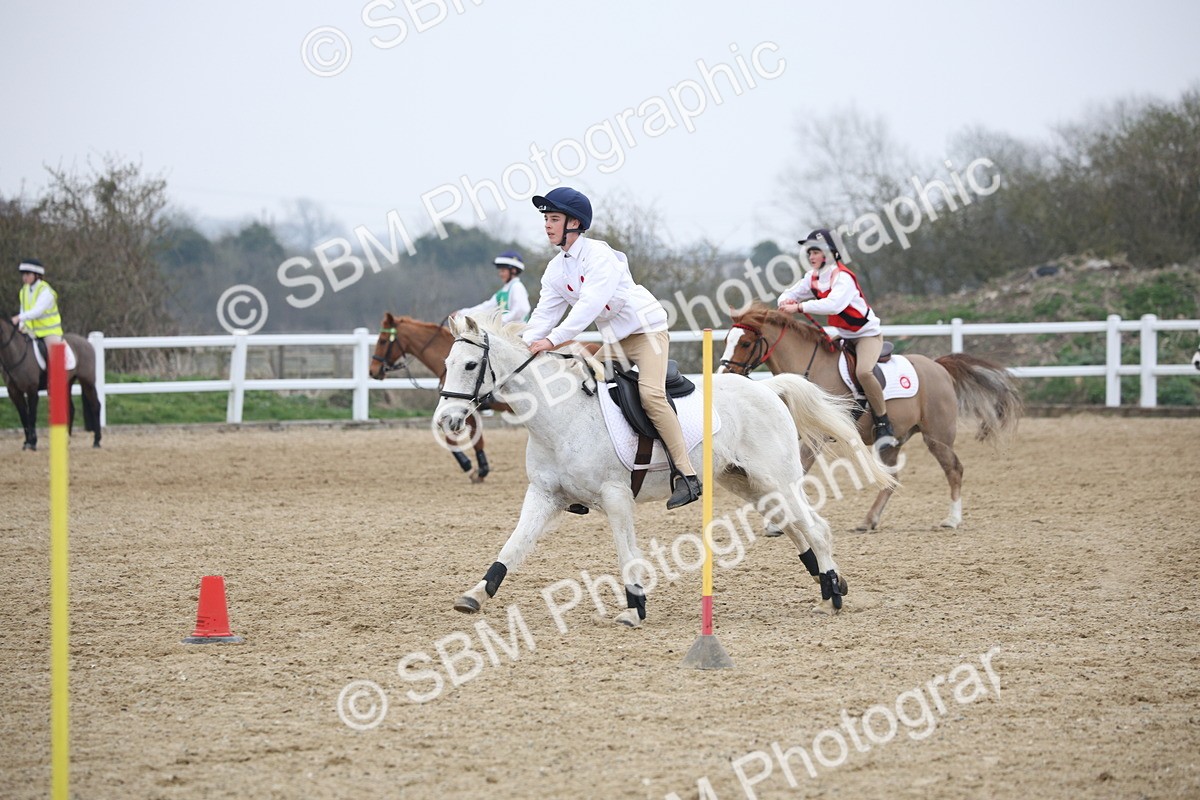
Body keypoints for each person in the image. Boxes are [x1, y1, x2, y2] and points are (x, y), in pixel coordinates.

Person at [523, 187, 701, 509]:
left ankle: (686, 475)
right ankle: (578, 478)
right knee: (578, 385)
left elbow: (588, 306)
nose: (547, 225)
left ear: (574, 223)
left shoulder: (599, 256)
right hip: (615, 342)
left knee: (651, 396)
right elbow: (544, 314)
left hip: (648, 334)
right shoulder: (556, 269)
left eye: (553, 218)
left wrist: (553, 340)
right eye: (546, 219)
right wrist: (524, 345)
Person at [777, 229, 897, 450]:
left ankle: (882, 421)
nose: (811, 256)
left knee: (863, 372)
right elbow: (789, 293)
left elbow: (834, 305)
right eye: (810, 252)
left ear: (829, 253)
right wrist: (785, 302)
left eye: (815, 251)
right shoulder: (812, 277)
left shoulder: (843, 277)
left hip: (866, 335)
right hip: (844, 334)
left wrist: (799, 306)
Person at [454, 250, 531, 323]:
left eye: (503, 271)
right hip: (505, 333)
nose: (500, 274)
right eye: (500, 271)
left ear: (513, 271)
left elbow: (521, 311)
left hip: (519, 334)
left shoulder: (517, 287)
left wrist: (498, 322)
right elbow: (486, 308)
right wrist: (461, 313)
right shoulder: (502, 292)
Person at [12, 258, 66, 353]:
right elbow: (23, 310)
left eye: (28, 274)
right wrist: (21, 325)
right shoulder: (23, 291)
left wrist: (19, 318)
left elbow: (37, 312)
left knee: (55, 355)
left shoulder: (46, 291)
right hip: (30, 332)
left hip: (49, 333)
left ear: (37, 275)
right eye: (23, 274)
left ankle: (59, 368)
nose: (24, 277)